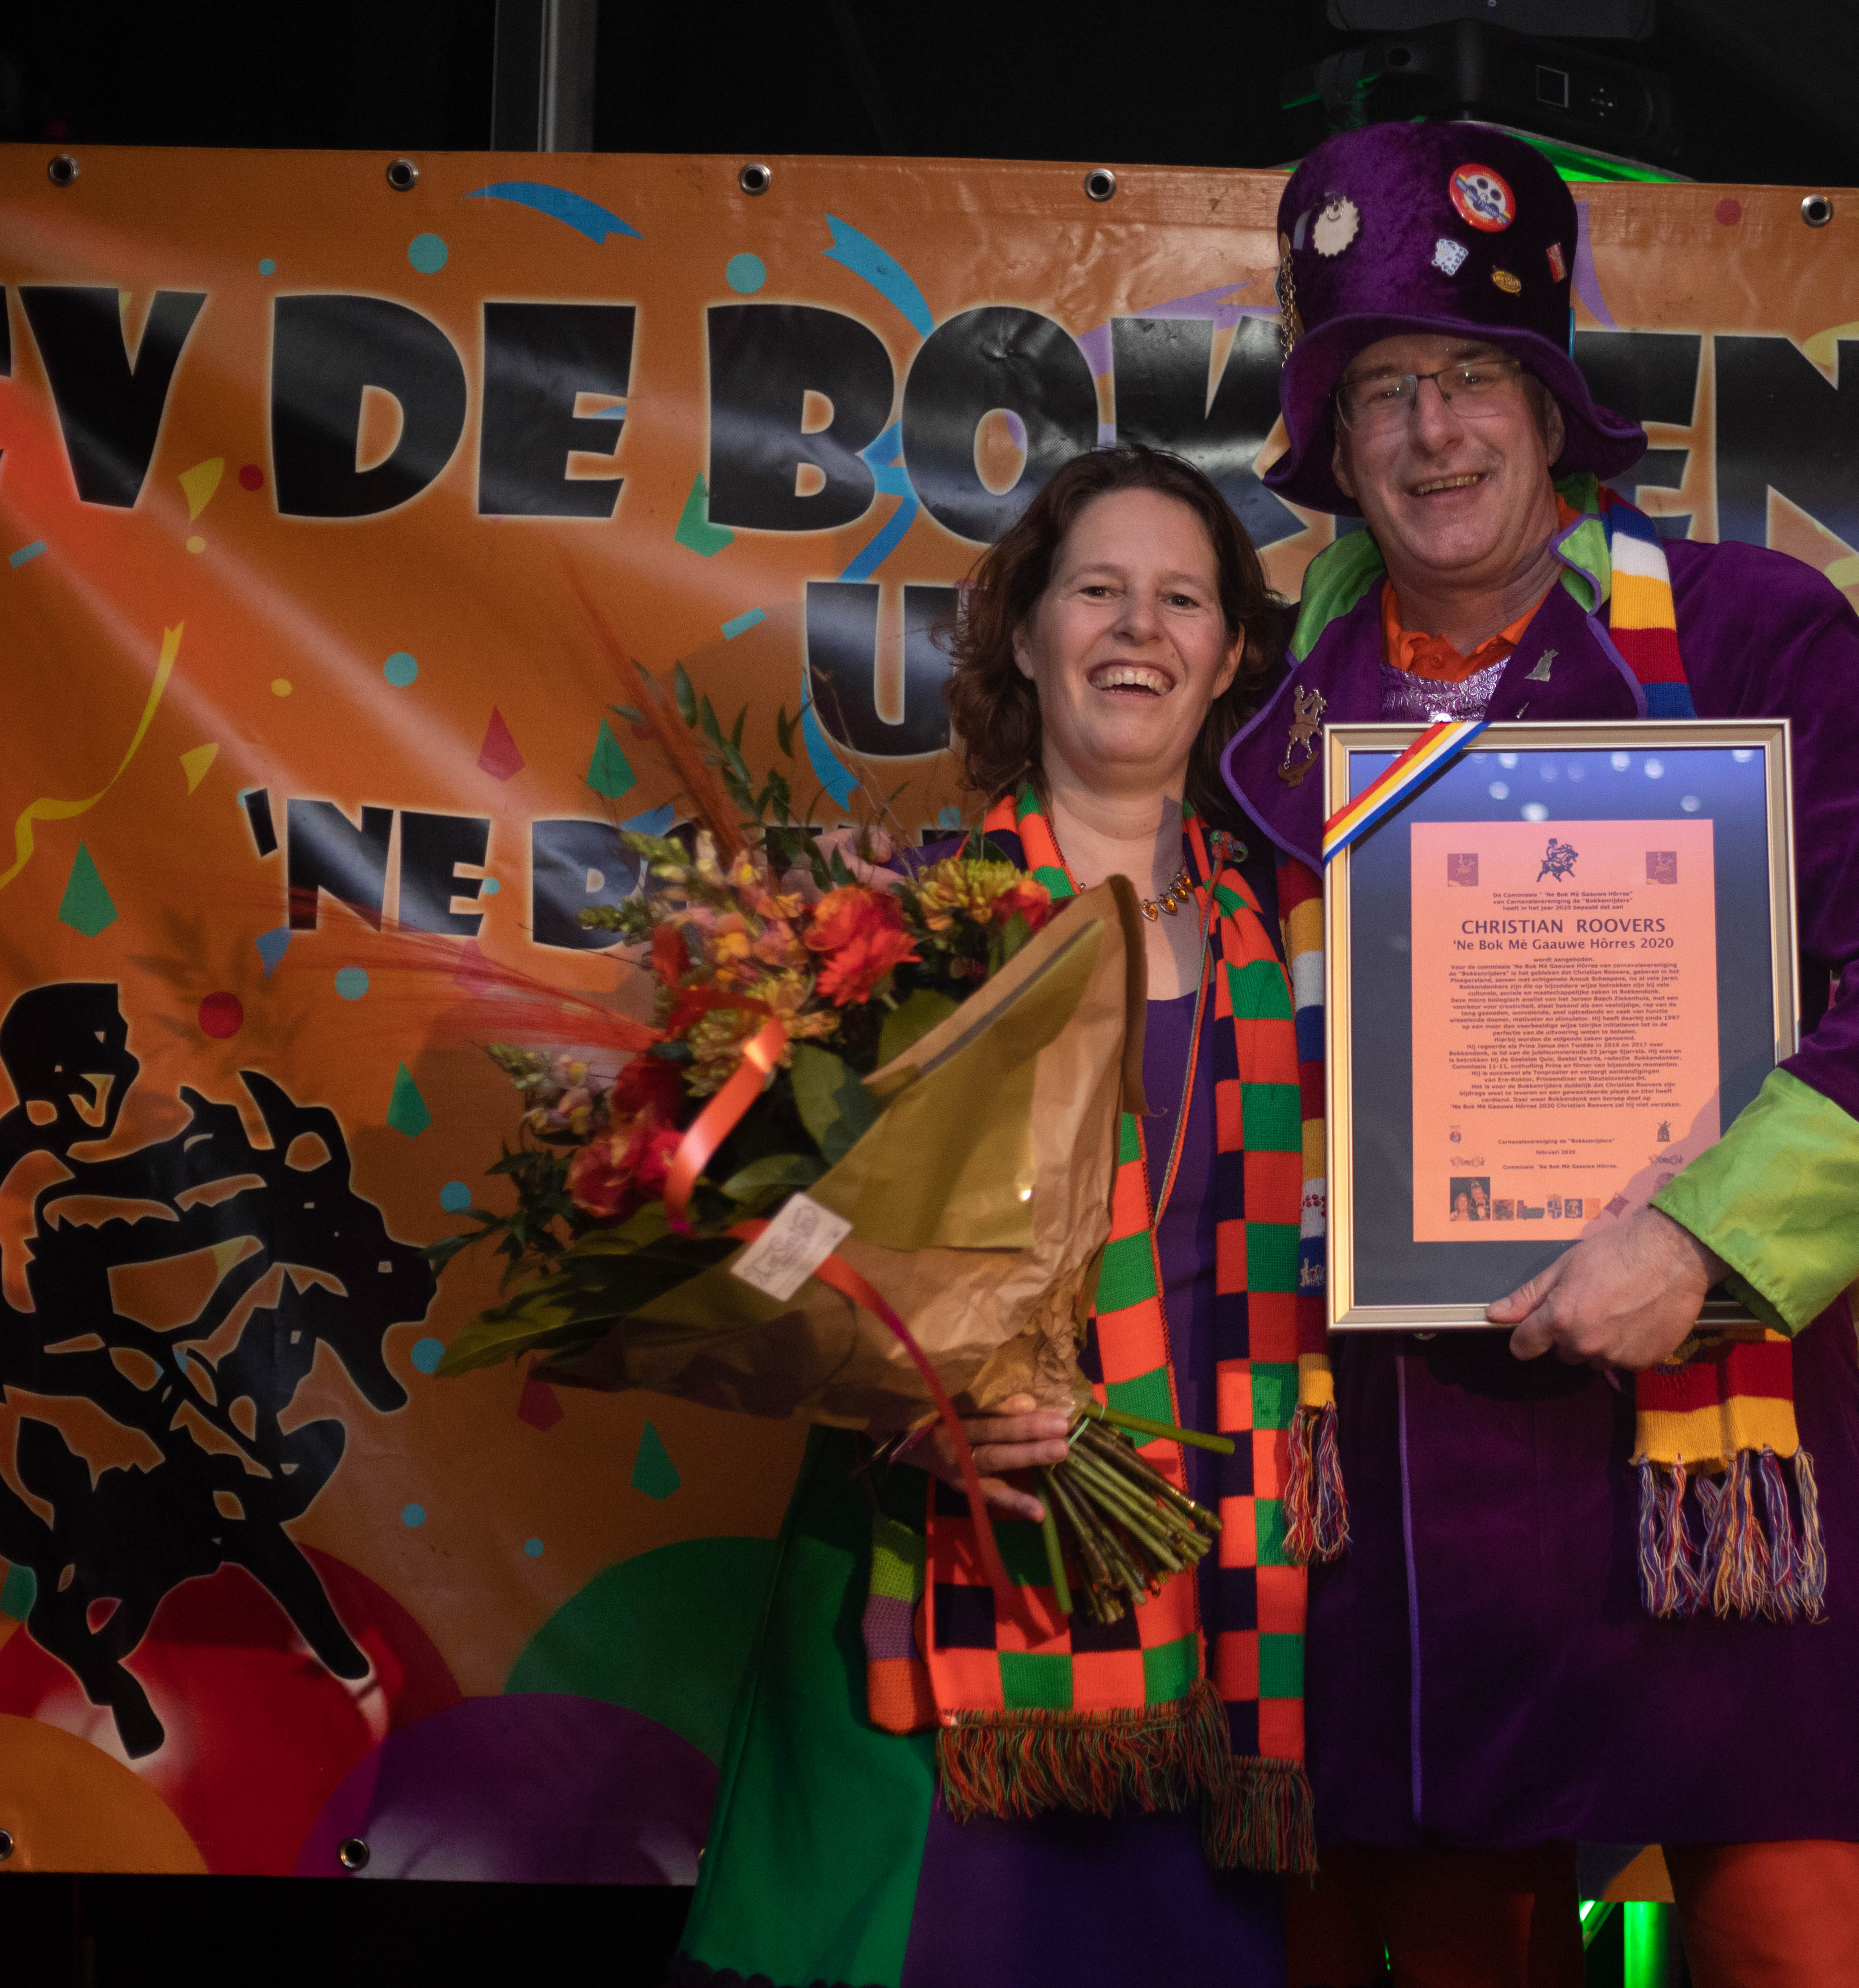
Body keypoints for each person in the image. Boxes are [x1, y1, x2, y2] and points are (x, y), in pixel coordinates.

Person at [1218, 124, 1859, 1986]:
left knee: (1790, 1954)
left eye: (1474, 377)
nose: (1433, 432)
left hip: (1706, 1444)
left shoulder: (1746, 632)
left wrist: (1703, 1242)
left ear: (1551, 408)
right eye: (1384, 390)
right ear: (1334, 443)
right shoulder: (1264, 723)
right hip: (1400, 1472)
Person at [671, 446, 1307, 1988]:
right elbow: (763, 1245)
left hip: (1215, 1600)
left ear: (1232, 656)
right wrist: (905, 1397)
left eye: (1183, 599)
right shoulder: (899, 929)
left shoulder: (1302, 943)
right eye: (1097, 590)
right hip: (933, 1579)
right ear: (1023, 634)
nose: (1138, 628)